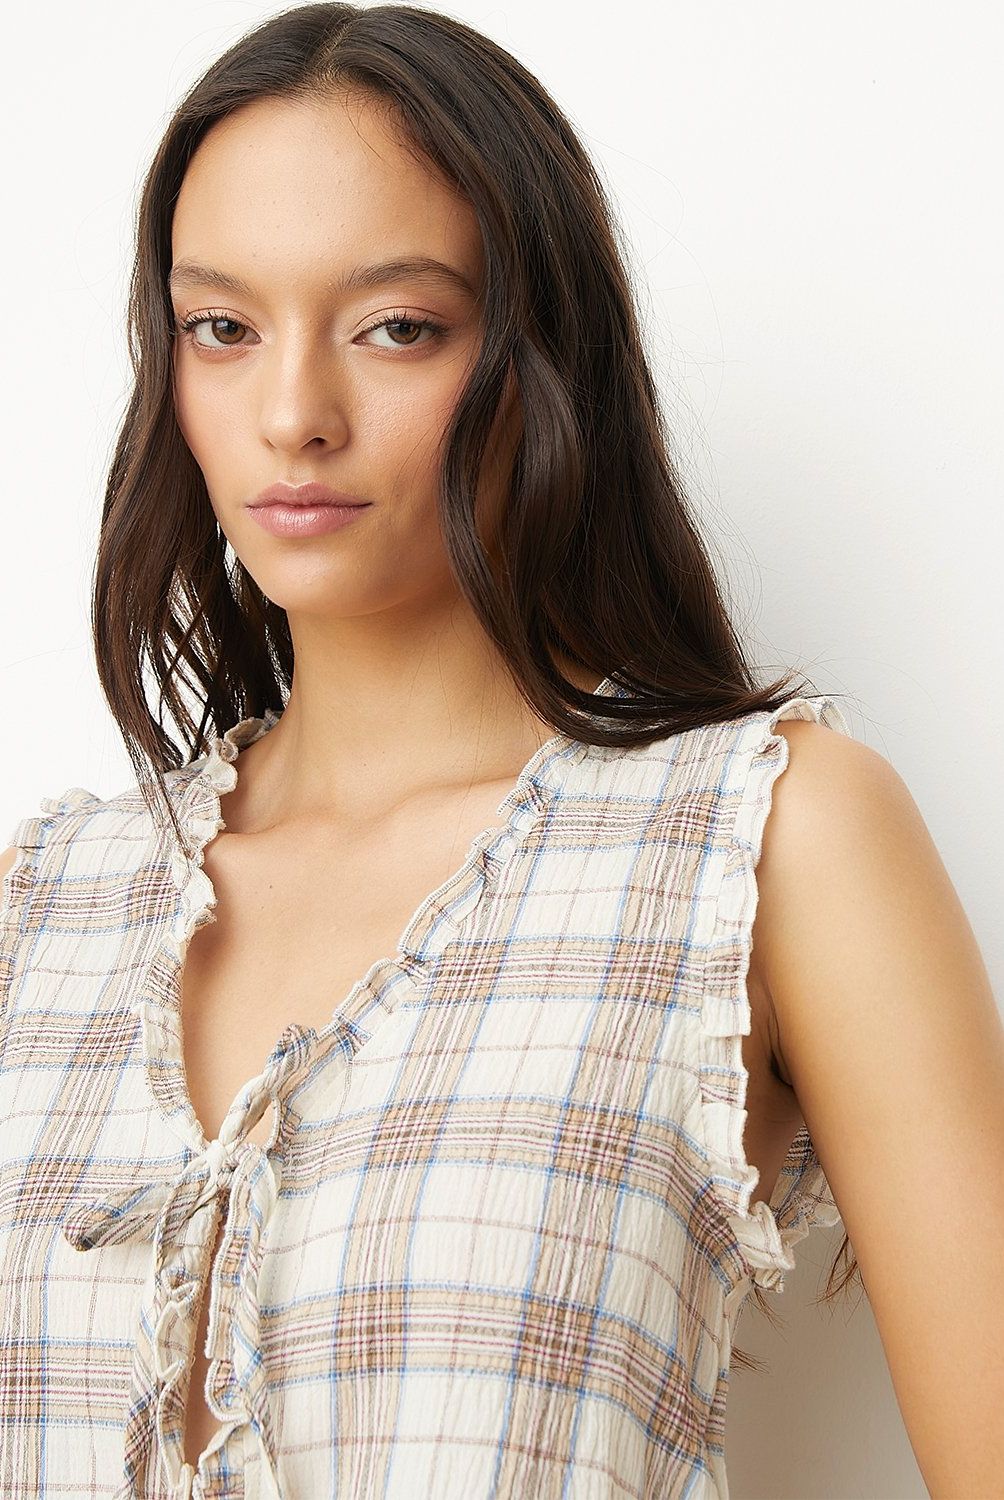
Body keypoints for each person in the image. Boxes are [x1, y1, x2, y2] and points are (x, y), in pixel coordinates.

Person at [1, 5, 1001, 1498]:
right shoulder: (44, 906)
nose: (294, 414)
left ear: (539, 358)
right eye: (224, 328)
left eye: (397, 326)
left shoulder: (763, 836)